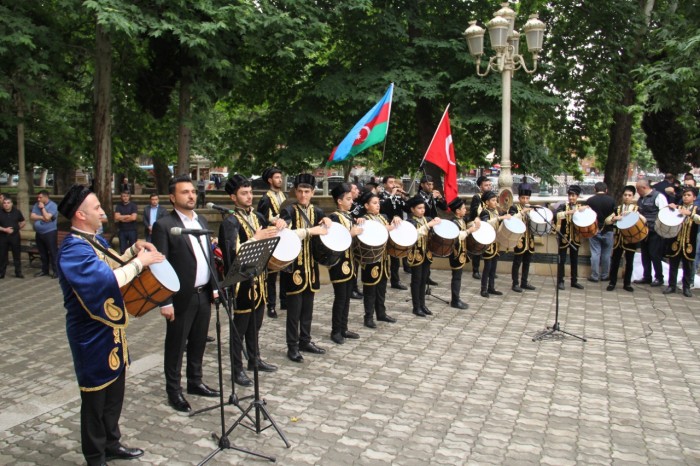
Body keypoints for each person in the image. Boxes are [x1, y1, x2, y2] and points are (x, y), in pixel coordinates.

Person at [56, 184, 164, 465]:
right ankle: (94, 456)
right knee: (95, 398)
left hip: (110, 329)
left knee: (114, 392)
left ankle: (111, 443)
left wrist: (132, 251)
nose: (103, 212)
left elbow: (112, 267)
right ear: (80, 215)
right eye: (96, 208)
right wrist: (140, 263)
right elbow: (104, 282)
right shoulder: (73, 249)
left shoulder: (94, 241)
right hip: (89, 335)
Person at [152, 175, 220, 413]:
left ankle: (195, 381)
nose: (191, 195)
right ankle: (174, 390)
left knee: (199, 341)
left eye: (192, 191)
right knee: (176, 344)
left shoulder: (200, 220)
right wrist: (165, 301)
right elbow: (159, 265)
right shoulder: (164, 225)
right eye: (185, 192)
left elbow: (208, 256)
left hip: (203, 293)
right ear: (172, 197)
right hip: (181, 296)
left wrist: (213, 287)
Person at [219, 174, 282, 389]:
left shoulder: (258, 217)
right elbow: (231, 254)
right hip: (241, 285)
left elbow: (272, 233)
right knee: (239, 329)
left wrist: (279, 224)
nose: (248, 197)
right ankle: (237, 370)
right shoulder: (230, 222)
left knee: (255, 325)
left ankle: (254, 359)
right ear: (233, 198)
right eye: (243, 194)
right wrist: (256, 238)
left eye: (250, 192)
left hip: (260, 280)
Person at [279, 173, 332, 363]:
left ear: (312, 192)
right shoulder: (288, 210)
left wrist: (327, 221)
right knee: (294, 311)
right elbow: (284, 232)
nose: (303, 195)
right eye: (300, 191)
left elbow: (325, 229)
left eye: (307, 191)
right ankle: (292, 346)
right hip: (294, 268)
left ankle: (305, 341)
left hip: (311, 267)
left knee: (308, 308)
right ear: (295, 192)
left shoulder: (317, 212)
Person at [328, 184, 364, 343]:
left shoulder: (348, 216)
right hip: (338, 263)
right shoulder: (334, 218)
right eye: (348, 199)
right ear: (339, 201)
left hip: (350, 262)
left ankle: (344, 328)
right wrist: (351, 233)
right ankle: (335, 331)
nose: (351, 202)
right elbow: (333, 241)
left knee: (347, 297)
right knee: (340, 298)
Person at [360, 190, 400, 328]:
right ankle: (368, 317)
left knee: (382, 288)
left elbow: (392, 226)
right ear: (366, 205)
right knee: (370, 290)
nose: (378, 205)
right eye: (374, 203)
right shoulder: (364, 219)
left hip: (383, 258)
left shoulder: (383, 217)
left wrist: (396, 218)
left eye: (378, 203)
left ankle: (381, 313)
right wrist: (387, 228)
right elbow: (373, 232)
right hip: (370, 259)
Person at [257, 166, 287, 318]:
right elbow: (261, 219)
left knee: (286, 269)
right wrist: (275, 221)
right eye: (276, 177)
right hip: (272, 236)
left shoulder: (284, 195)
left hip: (285, 236)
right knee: (272, 274)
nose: (279, 180)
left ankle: (284, 299)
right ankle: (271, 305)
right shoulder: (266, 198)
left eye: (280, 177)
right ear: (270, 180)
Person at [405, 195, 441, 317]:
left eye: (423, 208)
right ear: (412, 210)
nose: (422, 210)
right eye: (419, 208)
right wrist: (428, 225)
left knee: (424, 279)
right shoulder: (410, 222)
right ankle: (416, 306)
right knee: (416, 280)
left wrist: (437, 221)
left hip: (427, 253)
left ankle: (422, 304)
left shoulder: (427, 219)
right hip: (416, 254)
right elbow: (414, 234)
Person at [663, 186, 700, 297]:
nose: (686, 197)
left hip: (689, 242)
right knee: (673, 264)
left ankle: (686, 287)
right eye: (684, 195)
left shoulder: (696, 209)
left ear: (694, 197)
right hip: (675, 241)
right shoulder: (677, 207)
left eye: (688, 195)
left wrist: (690, 214)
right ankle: (671, 285)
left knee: (687, 266)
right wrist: (669, 208)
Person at [633, 179, 668, 287]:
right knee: (645, 255)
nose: (637, 192)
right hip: (644, 231)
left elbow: (664, 213)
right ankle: (647, 276)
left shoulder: (658, 197)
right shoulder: (641, 199)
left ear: (644, 188)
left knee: (655, 255)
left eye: (638, 189)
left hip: (654, 231)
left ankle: (659, 277)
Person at [606, 185, 640, 292]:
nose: (627, 197)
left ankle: (627, 283)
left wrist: (632, 215)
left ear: (633, 196)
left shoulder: (636, 209)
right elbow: (607, 220)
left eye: (629, 195)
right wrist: (614, 218)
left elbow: (642, 220)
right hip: (619, 239)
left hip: (631, 239)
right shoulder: (618, 209)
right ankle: (612, 282)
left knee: (629, 262)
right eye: (625, 195)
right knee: (615, 261)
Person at [448, 197, 480, 308]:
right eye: (463, 208)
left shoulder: (462, 219)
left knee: (458, 276)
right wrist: (469, 231)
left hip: (461, 252)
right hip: (455, 254)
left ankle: (457, 298)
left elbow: (470, 222)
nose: (465, 210)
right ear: (457, 211)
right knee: (456, 277)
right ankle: (455, 300)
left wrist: (476, 221)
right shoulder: (453, 222)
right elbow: (458, 235)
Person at [379, 175, 408, 290]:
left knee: (396, 255)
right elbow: (382, 207)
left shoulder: (397, 196)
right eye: (390, 182)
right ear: (385, 184)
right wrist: (392, 196)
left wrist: (403, 197)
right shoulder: (382, 195)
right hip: (386, 227)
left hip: (397, 228)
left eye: (394, 182)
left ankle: (395, 281)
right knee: (385, 254)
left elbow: (406, 208)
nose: (393, 185)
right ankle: (382, 278)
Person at [479, 191, 510, 297]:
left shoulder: (496, 211)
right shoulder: (485, 212)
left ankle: (491, 287)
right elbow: (485, 223)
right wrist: (499, 218)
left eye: (496, 200)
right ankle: (483, 289)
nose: (495, 202)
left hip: (495, 242)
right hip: (488, 243)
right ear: (487, 202)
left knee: (493, 267)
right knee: (487, 267)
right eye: (493, 200)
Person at [417, 175, 446, 287]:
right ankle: (422, 276)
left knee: (430, 251)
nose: (431, 186)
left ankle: (427, 276)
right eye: (428, 184)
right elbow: (425, 209)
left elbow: (444, 207)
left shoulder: (432, 195)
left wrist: (439, 198)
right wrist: (431, 198)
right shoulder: (419, 197)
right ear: (422, 185)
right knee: (423, 249)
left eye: (432, 184)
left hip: (433, 225)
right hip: (423, 225)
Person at [585, 182, 616, 282]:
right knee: (607, 254)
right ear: (606, 190)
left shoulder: (590, 201)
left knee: (595, 253)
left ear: (595, 189)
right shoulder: (611, 200)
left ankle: (594, 276)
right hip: (608, 230)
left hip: (594, 229)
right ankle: (605, 275)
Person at [555, 185, 585, 290]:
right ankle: (560, 281)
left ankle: (574, 281)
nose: (571, 198)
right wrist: (568, 212)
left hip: (575, 238)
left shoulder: (581, 207)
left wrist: (586, 208)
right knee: (561, 260)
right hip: (564, 237)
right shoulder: (563, 206)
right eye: (570, 195)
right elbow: (556, 215)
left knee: (574, 260)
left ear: (577, 196)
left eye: (573, 195)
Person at [509, 184, 536, 292]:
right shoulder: (514, 208)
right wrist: (523, 212)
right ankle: (515, 283)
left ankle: (524, 282)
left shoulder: (532, 208)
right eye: (523, 198)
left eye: (527, 198)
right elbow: (511, 219)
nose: (525, 200)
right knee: (517, 262)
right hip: (519, 239)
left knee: (527, 261)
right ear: (519, 198)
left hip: (529, 238)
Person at [468, 176, 493, 279]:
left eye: (489, 185)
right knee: (477, 248)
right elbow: (473, 212)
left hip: (489, 224)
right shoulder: (477, 197)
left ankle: (489, 270)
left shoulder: (491, 196)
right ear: (480, 187)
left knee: (489, 248)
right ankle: (476, 270)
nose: (488, 187)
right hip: (479, 225)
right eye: (486, 185)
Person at [30, 189, 58, 278]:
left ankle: (56, 271)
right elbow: (32, 216)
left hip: (50, 232)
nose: (38, 199)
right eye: (38, 197)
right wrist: (42, 217)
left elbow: (47, 217)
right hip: (39, 233)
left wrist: (42, 208)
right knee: (42, 252)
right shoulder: (36, 205)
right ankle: (44, 270)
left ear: (46, 197)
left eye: (40, 197)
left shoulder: (53, 206)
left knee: (53, 252)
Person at [0, 196, 26, 278]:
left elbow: (23, 222)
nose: (6, 205)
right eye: (4, 203)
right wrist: (4, 229)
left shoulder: (17, 212)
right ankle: (1, 273)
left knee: (17, 255)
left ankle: (18, 272)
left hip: (14, 236)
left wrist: (16, 229)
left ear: (11, 204)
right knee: (2, 255)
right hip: (3, 236)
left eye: (8, 203)